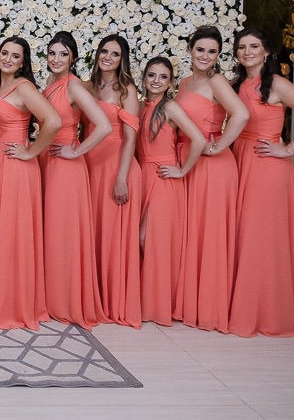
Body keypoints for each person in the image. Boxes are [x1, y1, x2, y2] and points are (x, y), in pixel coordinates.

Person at [228, 28, 294, 337]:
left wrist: (288, 149)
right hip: (239, 159)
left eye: (254, 46)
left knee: (260, 236)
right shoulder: (237, 84)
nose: (247, 51)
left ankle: (264, 312)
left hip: (266, 164)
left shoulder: (278, 84)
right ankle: (240, 305)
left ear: (267, 51)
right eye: (242, 47)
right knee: (241, 233)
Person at [0, 36, 60, 330]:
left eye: (16, 56)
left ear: (23, 62)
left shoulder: (24, 87)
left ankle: (15, 303)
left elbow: (53, 121)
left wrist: (31, 151)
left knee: (13, 232)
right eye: (5, 53)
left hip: (14, 167)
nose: (8, 59)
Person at [175, 25, 248, 333]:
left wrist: (218, 145)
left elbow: (241, 114)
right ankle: (189, 302)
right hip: (190, 160)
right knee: (193, 232)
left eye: (212, 51)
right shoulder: (185, 82)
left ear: (219, 55)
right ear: (190, 50)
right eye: (200, 49)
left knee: (210, 235)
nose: (205, 56)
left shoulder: (217, 81)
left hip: (212, 168)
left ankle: (209, 307)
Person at [40, 30, 111, 329]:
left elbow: (104, 125)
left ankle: (67, 300)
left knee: (64, 232)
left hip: (66, 167)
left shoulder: (74, 86)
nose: (56, 59)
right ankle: (52, 297)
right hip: (48, 161)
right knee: (52, 231)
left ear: (73, 58)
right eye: (52, 53)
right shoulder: (50, 83)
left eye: (63, 54)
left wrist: (76, 151)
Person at [136, 57, 205, 326]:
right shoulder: (142, 107)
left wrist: (182, 170)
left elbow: (197, 139)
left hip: (163, 177)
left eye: (163, 77)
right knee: (142, 239)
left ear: (171, 82)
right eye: (151, 75)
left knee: (149, 238)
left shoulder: (171, 107)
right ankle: (147, 301)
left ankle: (160, 304)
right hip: (143, 176)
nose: (156, 81)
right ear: (144, 78)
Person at [84, 35, 143, 328]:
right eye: (104, 51)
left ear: (123, 59)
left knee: (113, 238)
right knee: (94, 234)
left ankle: (114, 300)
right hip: (90, 166)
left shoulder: (126, 90)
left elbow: (131, 137)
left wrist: (122, 177)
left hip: (116, 166)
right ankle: (93, 298)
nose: (107, 57)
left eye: (115, 54)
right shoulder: (88, 86)